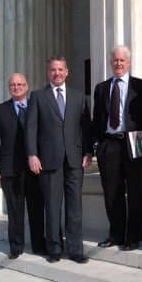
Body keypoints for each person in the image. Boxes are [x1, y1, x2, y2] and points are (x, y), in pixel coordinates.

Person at [26, 56, 92, 264]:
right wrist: (32, 154)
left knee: (75, 207)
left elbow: (86, 128)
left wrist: (88, 152)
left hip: (74, 159)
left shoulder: (78, 96)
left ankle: (75, 250)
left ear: (67, 72)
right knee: (52, 206)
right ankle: (54, 248)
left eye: (60, 69)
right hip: (48, 160)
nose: (57, 73)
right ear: (48, 73)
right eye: (53, 70)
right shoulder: (38, 96)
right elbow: (31, 128)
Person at [92, 45, 142, 251]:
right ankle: (116, 234)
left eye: (122, 60)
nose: (118, 63)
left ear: (128, 62)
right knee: (112, 192)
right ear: (111, 63)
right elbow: (96, 119)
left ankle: (133, 236)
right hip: (109, 143)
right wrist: (96, 146)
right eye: (115, 60)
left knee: (136, 191)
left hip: (135, 141)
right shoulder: (101, 88)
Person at [0, 73, 46, 259]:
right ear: (9, 87)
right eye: (13, 85)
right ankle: (16, 247)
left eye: (20, 84)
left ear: (27, 86)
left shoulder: (37, 108)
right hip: (9, 168)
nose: (17, 87)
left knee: (36, 208)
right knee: (14, 209)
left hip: (34, 168)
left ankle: (38, 245)